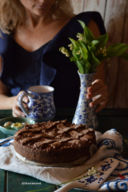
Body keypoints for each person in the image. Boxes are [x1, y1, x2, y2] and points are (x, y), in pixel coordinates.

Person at [0, 0, 108, 117]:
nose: (43, 1)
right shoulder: (4, 31)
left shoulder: (83, 27)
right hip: (15, 129)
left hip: (69, 128)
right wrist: (14, 102)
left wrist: (99, 93)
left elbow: (96, 87)